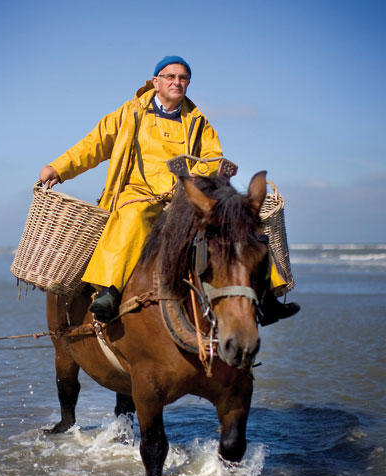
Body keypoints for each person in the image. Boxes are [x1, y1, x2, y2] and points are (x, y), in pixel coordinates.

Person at [39, 55, 299, 324]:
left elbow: (213, 160)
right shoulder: (129, 113)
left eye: (183, 78)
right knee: (131, 219)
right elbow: (93, 145)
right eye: (170, 76)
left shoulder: (199, 122)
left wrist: (207, 176)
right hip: (136, 192)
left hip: (184, 197)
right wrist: (58, 168)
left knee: (238, 227)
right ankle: (109, 291)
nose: (177, 82)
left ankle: (267, 298)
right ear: (155, 82)